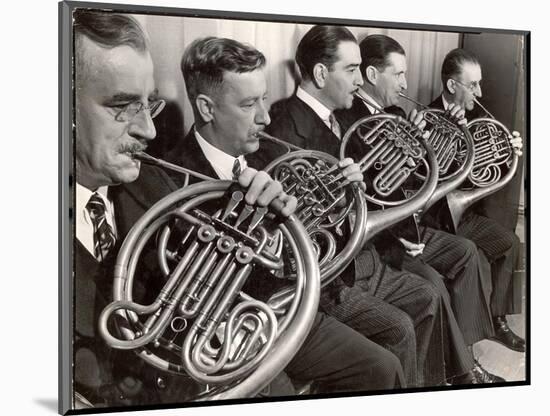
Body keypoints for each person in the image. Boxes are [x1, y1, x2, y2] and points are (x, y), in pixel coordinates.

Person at [73, 11, 405, 408]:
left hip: (263, 315)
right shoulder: (170, 185)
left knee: (384, 364)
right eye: (123, 106)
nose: (150, 131)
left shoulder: (156, 182)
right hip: (192, 360)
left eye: (150, 106)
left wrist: (284, 223)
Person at [163, 35, 408, 395]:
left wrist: (340, 198)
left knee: (383, 368)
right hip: (230, 334)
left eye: (263, 99)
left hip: (285, 310)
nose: (265, 116)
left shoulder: (259, 156)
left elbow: (293, 254)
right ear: (206, 108)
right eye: (249, 105)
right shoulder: (173, 178)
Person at [266, 25, 452, 388]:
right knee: (399, 327)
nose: (358, 79)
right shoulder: (284, 128)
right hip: (331, 277)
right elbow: (298, 227)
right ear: (321, 73)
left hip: (364, 257)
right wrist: (340, 192)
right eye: (351, 70)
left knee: (428, 296)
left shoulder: (344, 118)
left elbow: (381, 187)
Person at [335, 33, 509, 383]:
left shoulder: (398, 113)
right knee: (432, 287)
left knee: (466, 252)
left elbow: (421, 177)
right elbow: (371, 192)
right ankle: (454, 375)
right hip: (386, 239)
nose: (405, 83)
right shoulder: (350, 120)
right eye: (398, 75)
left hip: (412, 227)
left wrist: (438, 142)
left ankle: (468, 357)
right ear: (372, 76)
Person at [428, 48, 525, 353]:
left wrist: (508, 151)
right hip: (437, 219)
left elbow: (484, 175)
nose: (480, 92)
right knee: (473, 257)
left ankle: (497, 320)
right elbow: (425, 179)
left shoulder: (480, 117)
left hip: (464, 215)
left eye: (479, 84)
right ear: (452, 85)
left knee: (511, 243)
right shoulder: (426, 117)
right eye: (473, 85)